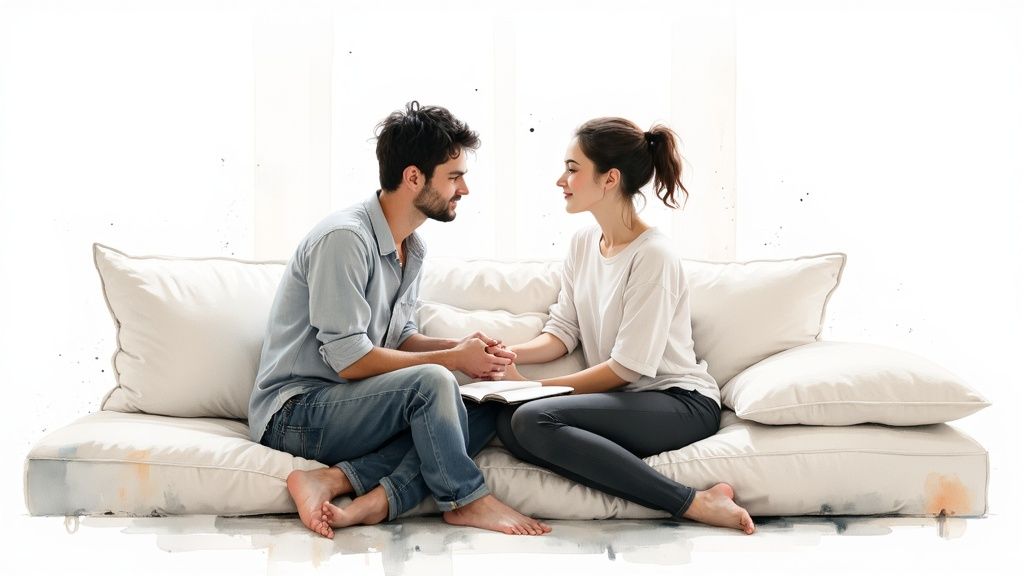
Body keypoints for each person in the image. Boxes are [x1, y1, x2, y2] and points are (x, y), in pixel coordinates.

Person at [249, 101, 551, 539]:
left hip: (353, 404)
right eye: (454, 176)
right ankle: (467, 500)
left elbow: (401, 337)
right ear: (414, 177)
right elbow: (351, 361)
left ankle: (349, 486)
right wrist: (450, 361)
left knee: (485, 402)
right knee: (434, 383)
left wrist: (467, 352)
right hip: (297, 413)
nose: (463, 189)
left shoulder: (412, 247)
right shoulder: (345, 239)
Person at [494, 117, 756, 534]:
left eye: (572, 168)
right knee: (507, 423)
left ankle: (692, 502)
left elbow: (626, 369)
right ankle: (668, 496)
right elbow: (563, 331)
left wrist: (527, 387)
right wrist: (507, 354)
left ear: (609, 179)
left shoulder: (653, 256)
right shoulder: (583, 244)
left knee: (529, 418)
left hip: (680, 402)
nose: (561, 180)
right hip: (629, 402)